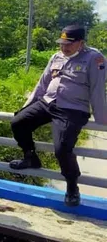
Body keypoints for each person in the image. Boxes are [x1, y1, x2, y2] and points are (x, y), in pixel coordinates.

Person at [9, 24, 107, 207]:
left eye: (69, 44)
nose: (64, 47)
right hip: (48, 102)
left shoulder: (95, 59)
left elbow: (97, 90)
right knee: (18, 123)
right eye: (62, 43)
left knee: (62, 148)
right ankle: (30, 157)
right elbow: (42, 84)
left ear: (81, 43)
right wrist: (26, 106)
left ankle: (72, 187)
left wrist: (102, 119)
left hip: (73, 109)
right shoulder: (56, 57)